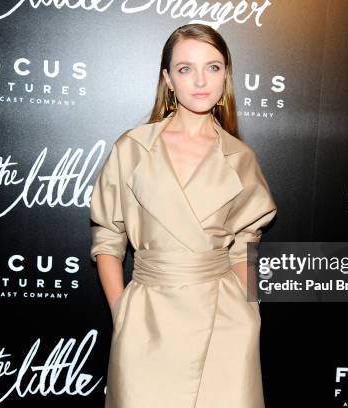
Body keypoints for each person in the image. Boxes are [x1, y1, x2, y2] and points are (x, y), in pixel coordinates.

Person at [89, 23, 277, 408]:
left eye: (213, 67)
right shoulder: (132, 149)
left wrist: (250, 313)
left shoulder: (240, 158)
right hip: (148, 323)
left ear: (226, 75)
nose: (200, 80)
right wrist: (122, 313)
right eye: (185, 68)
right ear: (168, 79)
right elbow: (108, 238)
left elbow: (245, 247)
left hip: (224, 324)